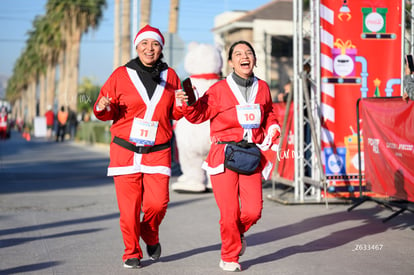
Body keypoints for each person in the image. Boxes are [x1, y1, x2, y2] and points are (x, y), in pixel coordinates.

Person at [177, 40, 281, 272]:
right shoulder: (219, 89)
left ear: (254, 59)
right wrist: (189, 103)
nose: (244, 56)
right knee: (230, 212)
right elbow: (198, 115)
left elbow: (269, 112)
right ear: (231, 62)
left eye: (248, 53)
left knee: (253, 210)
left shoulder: (262, 87)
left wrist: (273, 126)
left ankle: (237, 233)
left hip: (250, 154)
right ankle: (229, 256)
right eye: (238, 54)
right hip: (224, 155)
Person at [93, 24, 183, 269]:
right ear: (137, 46)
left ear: (161, 48)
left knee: (158, 203)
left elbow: (175, 112)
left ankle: (150, 233)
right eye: (144, 43)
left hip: (158, 150)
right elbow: (108, 108)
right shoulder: (121, 75)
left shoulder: (171, 76)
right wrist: (102, 108)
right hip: (125, 151)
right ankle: (131, 251)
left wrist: (183, 105)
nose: (149, 48)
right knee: (129, 209)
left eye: (155, 44)